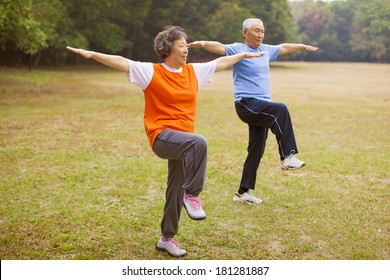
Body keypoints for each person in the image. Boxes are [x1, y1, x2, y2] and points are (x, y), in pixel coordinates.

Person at [67, 26, 261, 257]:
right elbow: (121, 61)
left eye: (186, 45)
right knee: (199, 143)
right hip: (162, 137)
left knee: (174, 189)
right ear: (168, 48)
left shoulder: (193, 72)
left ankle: (166, 238)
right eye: (181, 45)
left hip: (183, 142)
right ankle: (193, 194)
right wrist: (92, 54)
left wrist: (243, 54)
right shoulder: (150, 72)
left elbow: (220, 63)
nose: (186, 50)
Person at [188, 18, 318, 205]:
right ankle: (288, 156)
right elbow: (219, 47)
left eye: (262, 31)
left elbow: (283, 48)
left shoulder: (265, 50)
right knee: (280, 110)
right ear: (245, 33)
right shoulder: (238, 49)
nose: (260, 35)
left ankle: (242, 193)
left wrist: (302, 47)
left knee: (256, 149)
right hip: (246, 104)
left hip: (262, 107)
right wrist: (202, 44)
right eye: (256, 31)